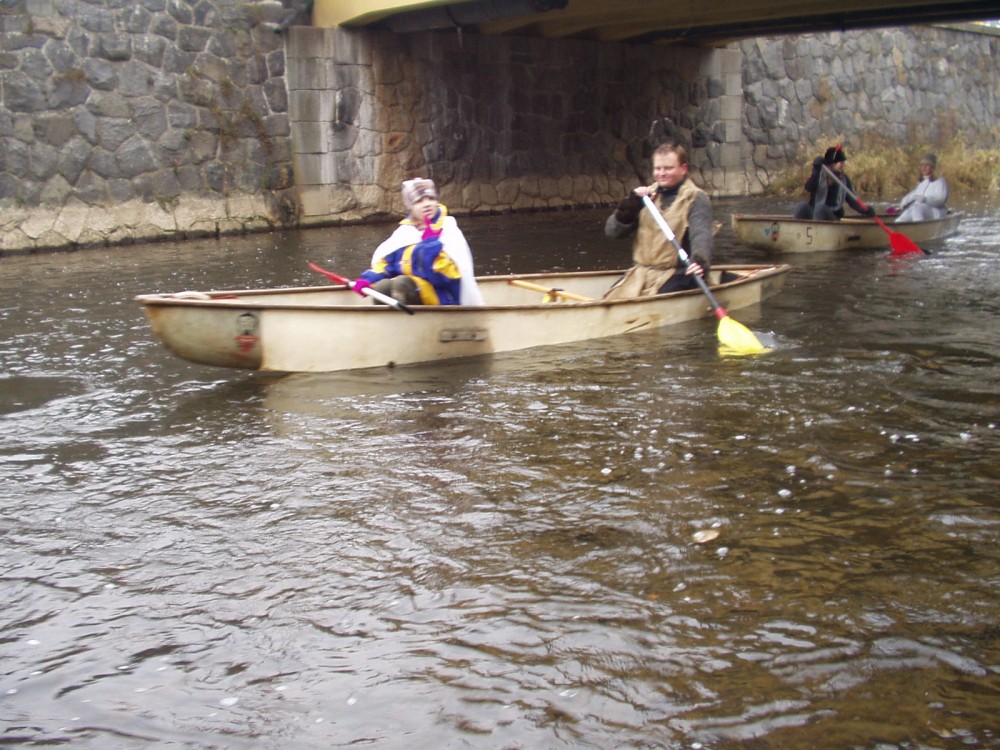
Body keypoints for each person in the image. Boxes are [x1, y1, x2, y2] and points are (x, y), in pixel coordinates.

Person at [603, 143, 711, 300]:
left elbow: (701, 234)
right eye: (658, 168)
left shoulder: (696, 198)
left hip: (680, 272)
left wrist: (700, 261)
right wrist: (630, 207)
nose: (662, 173)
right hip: (642, 273)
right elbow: (612, 232)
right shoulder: (646, 196)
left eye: (668, 168)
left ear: (683, 169)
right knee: (610, 298)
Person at [354, 178, 484, 306]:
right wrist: (368, 280)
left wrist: (430, 246)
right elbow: (387, 264)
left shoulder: (448, 229)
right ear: (410, 208)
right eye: (419, 201)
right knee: (383, 287)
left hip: (444, 297)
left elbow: (447, 278)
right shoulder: (405, 232)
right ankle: (392, 319)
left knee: (402, 284)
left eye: (431, 199)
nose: (427, 204)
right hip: (414, 291)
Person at [792, 145, 875, 221]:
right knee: (801, 206)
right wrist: (815, 170)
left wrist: (865, 209)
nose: (842, 164)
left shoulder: (844, 179)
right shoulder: (819, 174)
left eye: (842, 162)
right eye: (839, 162)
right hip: (815, 215)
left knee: (821, 208)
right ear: (831, 164)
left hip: (833, 217)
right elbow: (808, 187)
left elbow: (852, 201)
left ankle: (818, 230)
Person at [893, 153, 948, 222]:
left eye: (927, 165)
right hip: (920, 211)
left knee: (917, 208)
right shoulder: (922, 183)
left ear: (933, 167)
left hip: (937, 212)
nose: (924, 167)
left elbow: (940, 200)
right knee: (905, 214)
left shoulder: (940, 181)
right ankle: (898, 224)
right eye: (922, 165)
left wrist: (926, 199)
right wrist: (904, 201)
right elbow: (914, 195)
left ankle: (919, 227)